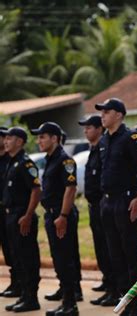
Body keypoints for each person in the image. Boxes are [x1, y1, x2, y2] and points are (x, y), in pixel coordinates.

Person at [96, 98, 137, 316]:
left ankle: (135, 304)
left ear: (119, 115)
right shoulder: (104, 139)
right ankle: (123, 300)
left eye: (107, 111)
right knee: (115, 254)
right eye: (102, 112)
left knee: (130, 252)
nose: (102, 115)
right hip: (108, 202)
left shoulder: (130, 138)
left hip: (125, 201)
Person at [31, 122, 81, 316]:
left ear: (55, 138)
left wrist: (63, 215)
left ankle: (70, 305)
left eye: (43, 136)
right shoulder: (51, 159)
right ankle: (66, 300)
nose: (39, 141)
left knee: (65, 259)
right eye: (38, 137)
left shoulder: (64, 160)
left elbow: (71, 189)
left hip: (61, 215)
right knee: (59, 259)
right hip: (52, 214)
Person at [78, 116, 119, 307]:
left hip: (105, 204)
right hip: (94, 207)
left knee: (110, 248)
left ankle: (115, 289)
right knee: (101, 249)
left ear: (98, 129)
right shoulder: (94, 150)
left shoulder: (104, 147)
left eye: (88, 127)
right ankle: (108, 283)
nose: (85, 131)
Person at [3, 127, 41, 312]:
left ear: (19, 141)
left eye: (10, 138)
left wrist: (27, 215)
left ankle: (32, 298)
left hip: (21, 216)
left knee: (28, 257)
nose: (6, 141)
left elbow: (36, 190)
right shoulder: (13, 162)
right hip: (11, 215)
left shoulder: (26, 164)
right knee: (17, 257)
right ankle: (24, 295)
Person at [0, 127, 20, 298]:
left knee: (12, 248)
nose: (5, 141)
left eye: (5, 138)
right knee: (7, 250)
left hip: (9, 210)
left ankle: (18, 283)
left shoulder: (11, 160)